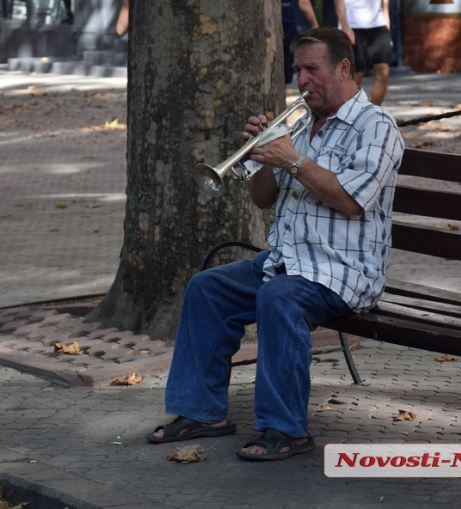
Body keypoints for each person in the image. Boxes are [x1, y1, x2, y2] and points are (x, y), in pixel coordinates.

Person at [146, 27, 403, 461]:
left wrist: (292, 159)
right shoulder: (300, 124)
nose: (301, 81)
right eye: (297, 70)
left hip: (343, 271)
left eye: (311, 70)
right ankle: (202, 412)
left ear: (344, 68)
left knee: (279, 297)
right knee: (207, 289)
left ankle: (286, 429)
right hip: (288, 262)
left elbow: (351, 201)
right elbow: (264, 197)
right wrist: (260, 153)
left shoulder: (375, 127)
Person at [326, 0, 392, 105]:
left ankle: (374, 113)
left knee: (383, 71)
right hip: (353, 25)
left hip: (378, 24)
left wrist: (387, 21)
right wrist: (345, 26)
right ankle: (353, 117)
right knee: (355, 76)